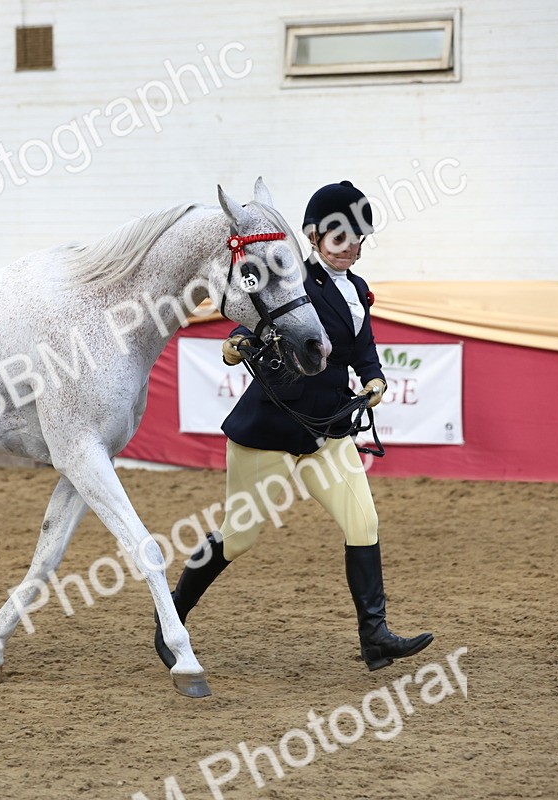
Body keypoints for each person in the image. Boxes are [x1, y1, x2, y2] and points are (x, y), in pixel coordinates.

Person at [155, 181, 433, 672]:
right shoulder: (292, 275)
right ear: (312, 236)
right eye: (340, 238)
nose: (351, 248)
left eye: (358, 239)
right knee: (239, 537)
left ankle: (375, 637)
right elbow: (256, 318)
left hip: (328, 429)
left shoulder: (356, 290)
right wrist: (235, 343)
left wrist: (375, 379)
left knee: (363, 522)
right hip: (270, 430)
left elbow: (363, 347)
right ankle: (173, 613)